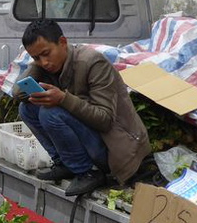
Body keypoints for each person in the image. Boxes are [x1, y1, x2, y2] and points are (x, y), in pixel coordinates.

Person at [18, 19, 150, 196]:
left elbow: (105, 120)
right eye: (36, 58)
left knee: (51, 112)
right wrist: (38, 63)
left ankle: (88, 171)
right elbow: (17, 93)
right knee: (26, 109)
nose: (44, 62)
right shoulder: (48, 65)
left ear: (63, 42)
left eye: (46, 53)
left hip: (115, 148)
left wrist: (63, 99)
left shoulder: (93, 63)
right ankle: (64, 163)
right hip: (91, 138)